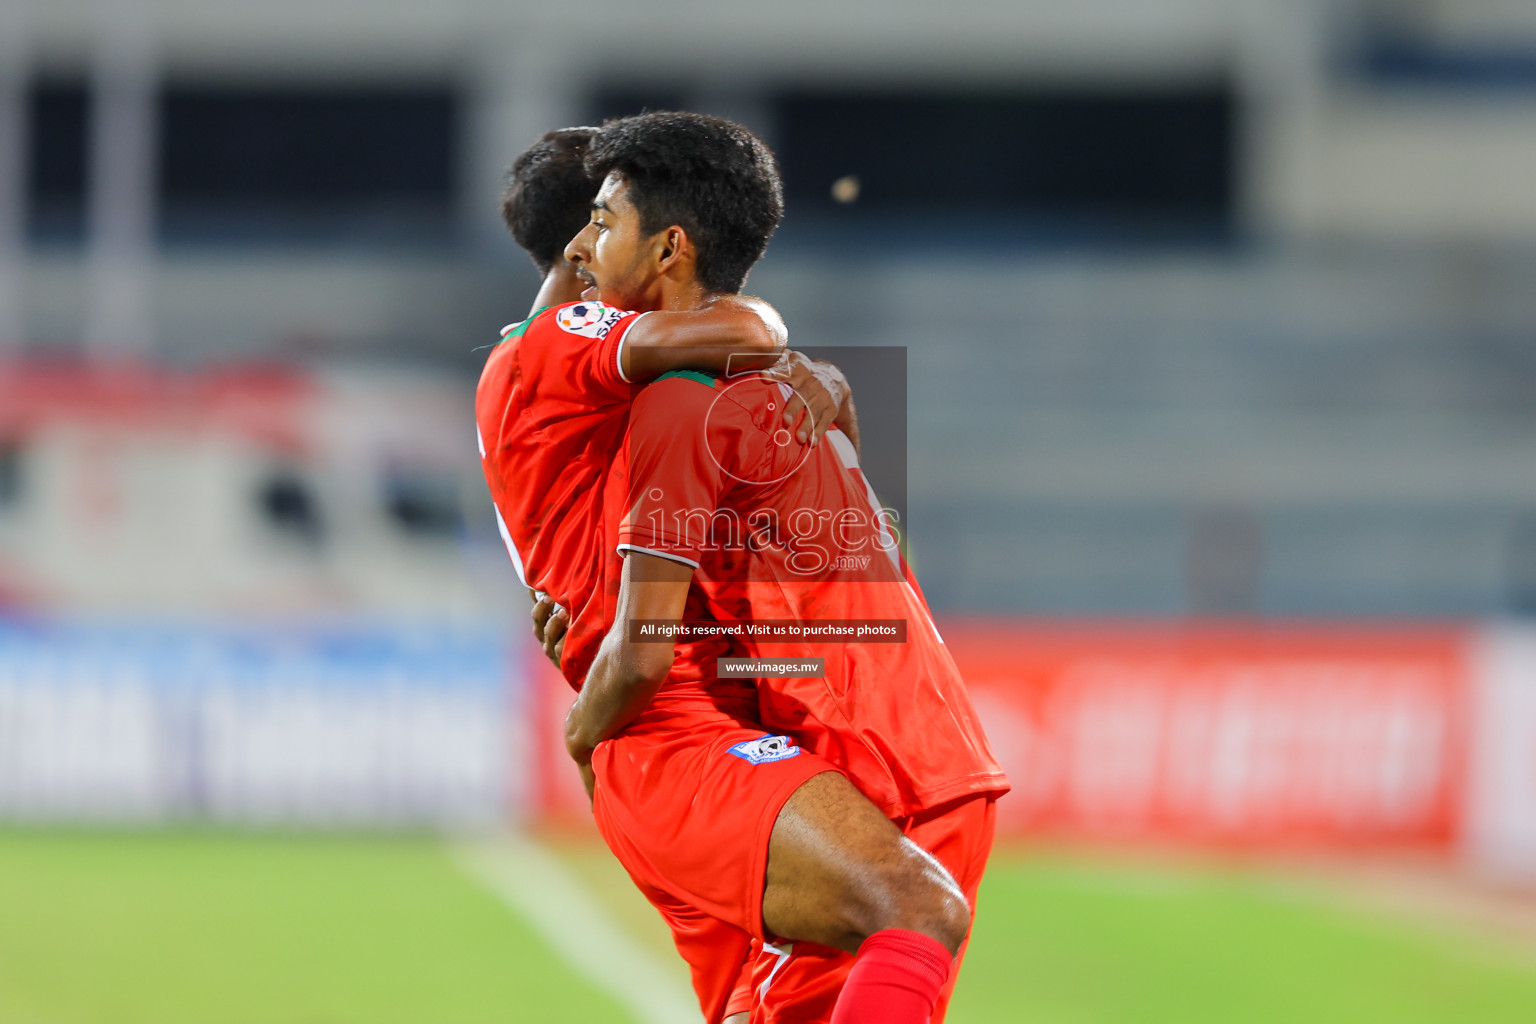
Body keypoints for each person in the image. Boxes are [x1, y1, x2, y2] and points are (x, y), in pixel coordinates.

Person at [534, 112, 1008, 1023]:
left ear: (669, 247)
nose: (586, 251)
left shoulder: (677, 406)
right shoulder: (800, 391)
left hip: (861, 765)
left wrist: (587, 731)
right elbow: (880, 564)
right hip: (938, 750)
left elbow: (644, 649)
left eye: (605, 223)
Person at [479, 127, 851, 689]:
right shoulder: (562, 342)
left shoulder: (564, 362)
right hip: (665, 694)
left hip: (673, 669)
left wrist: (829, 383)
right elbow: (751, 332)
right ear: (588, 241)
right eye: (608, 215)